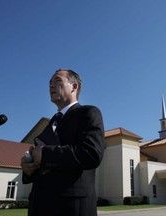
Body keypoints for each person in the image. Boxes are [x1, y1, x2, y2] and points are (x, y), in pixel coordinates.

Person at [21, 69, 105, 216]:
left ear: (74, 86)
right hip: (39, 206)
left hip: (71, 207)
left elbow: (91, 154)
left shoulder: (88, 113)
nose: (51, 86)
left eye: (57, 81)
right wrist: (29, 170)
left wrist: (45, 154)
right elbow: (45, 167)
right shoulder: (49, 124)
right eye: (50, 83)